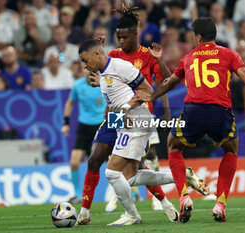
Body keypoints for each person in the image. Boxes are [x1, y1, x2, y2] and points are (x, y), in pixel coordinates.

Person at [136, 17, 245, 223]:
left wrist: (151, 96)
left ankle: (184, 197)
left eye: (193, 35)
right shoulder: (229, 54)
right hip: (220, 112)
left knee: (173, 147)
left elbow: (169, 83)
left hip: (194, 112)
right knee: (231, 150)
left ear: (198, 37)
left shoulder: (188, 58)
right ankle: (220, 204)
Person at [77, 5, 208, 224]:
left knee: (125, 170)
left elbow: (161, 85)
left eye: (124, 37)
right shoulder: (113, 56)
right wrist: (96, 77)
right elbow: (105, 80)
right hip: (116, 116)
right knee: (100, 160)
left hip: (137, 116)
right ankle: (86, 211)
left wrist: (159, 61)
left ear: (135, 34)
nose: (120, 41)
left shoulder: (142, 57)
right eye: (117, 37)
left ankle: (142, 209)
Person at [61, 64, 106, 204]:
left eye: (91, 67)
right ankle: (76, 194)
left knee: (116, 163)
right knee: (74, 162)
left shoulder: (104, 83)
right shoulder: (77, 85)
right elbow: (69, 103)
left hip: (102, 125)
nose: (89, 70)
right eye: (85, 68)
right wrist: (66, 123)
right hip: (84, 128)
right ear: (82, 70)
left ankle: (133, 192)